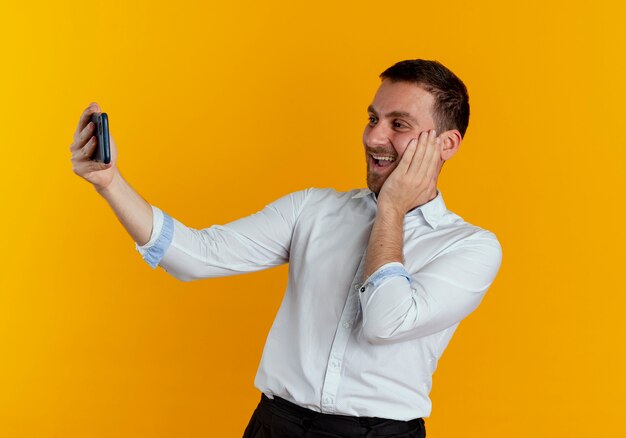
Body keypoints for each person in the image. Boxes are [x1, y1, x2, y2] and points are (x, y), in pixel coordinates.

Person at [70, 59, 503, 438]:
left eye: (399, 124)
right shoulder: (312, 209)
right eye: (373, 118)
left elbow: (384, 321)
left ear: (446, 144)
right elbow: (194, 256)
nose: (374, 137)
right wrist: (110, 183)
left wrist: (391, 207)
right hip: (276, 425)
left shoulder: (470, 247)